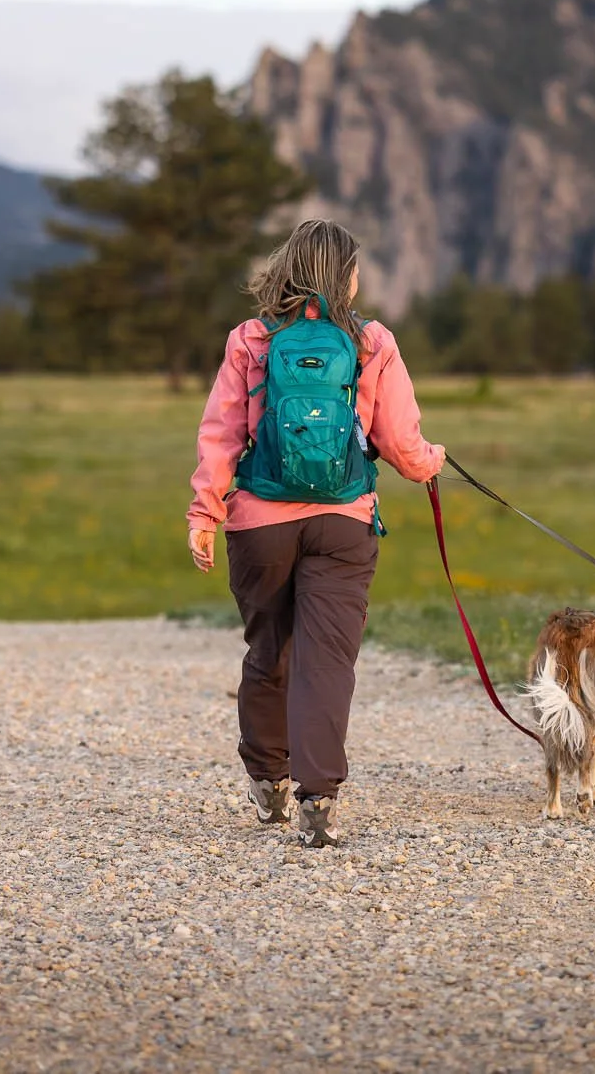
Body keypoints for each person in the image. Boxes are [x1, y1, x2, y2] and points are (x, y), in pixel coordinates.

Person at [186, 218, 444, 847]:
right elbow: (401, 444)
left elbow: (221, 435)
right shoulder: (370, 341)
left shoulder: (250, 339)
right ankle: (319, 797)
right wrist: (433, 462)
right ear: (344, 275)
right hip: (343, 521)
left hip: (259, 523)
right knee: (327, 661)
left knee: (269, 651)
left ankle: (267, 779)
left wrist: (205, 513)